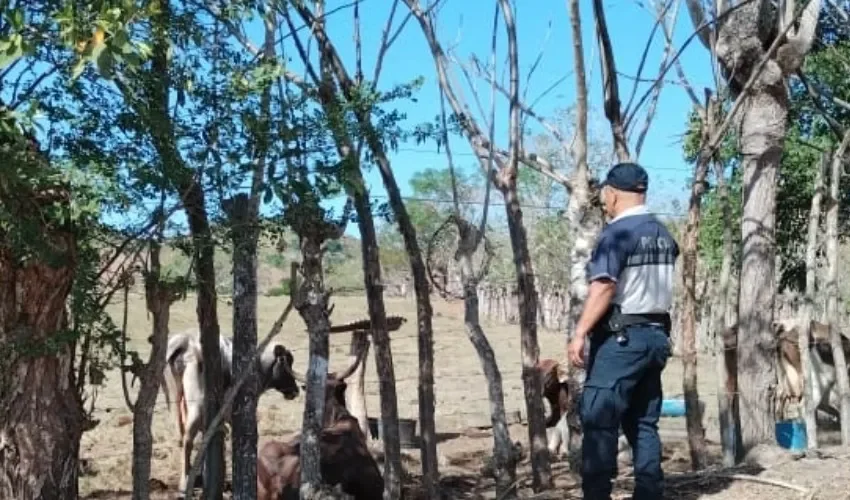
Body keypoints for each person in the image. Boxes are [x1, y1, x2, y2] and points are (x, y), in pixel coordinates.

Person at [566, 162, 679, 500]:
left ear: (612, 194)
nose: (603, 199)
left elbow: (603, 287)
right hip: (655, 338)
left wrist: (580, 332)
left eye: (605, 193)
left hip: (621, 340)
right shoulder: (662, 232)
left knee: (600, 420)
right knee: (644, 424)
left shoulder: (616, 234)